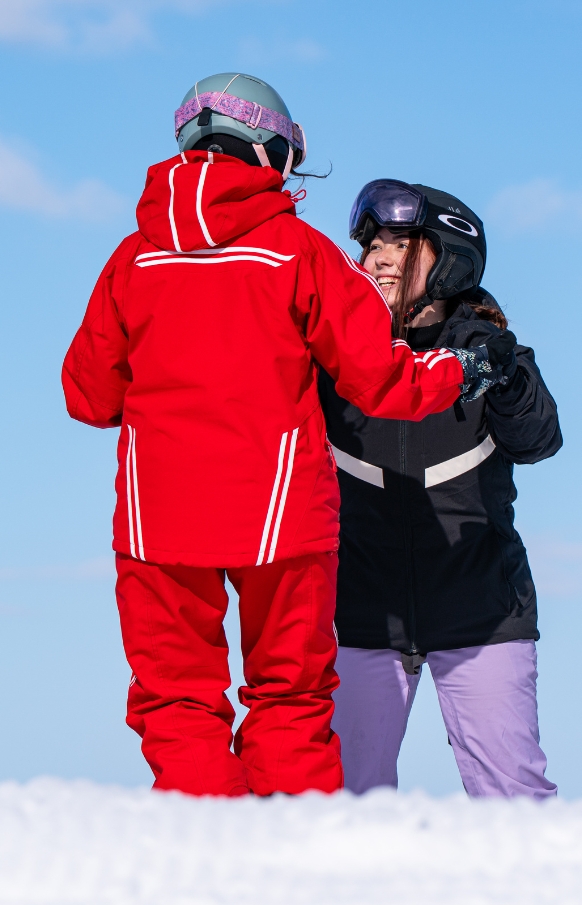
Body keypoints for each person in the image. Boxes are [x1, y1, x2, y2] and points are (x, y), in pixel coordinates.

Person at [62, 78, 510, 798]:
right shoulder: (299, 254)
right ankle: (288, 858)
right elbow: (382, 380)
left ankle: (204, 852)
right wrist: (457, 371)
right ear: (270, 152)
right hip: (282, 519)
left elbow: (86, 395)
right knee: (291, 696)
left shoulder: (131, 262)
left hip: (157, 518)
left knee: (177, 698)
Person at [320, 179, 561, 799]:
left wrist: (503, 377)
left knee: (514, 801)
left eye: (397, 242)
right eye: (370, 243)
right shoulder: (338, 359)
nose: (374, 256)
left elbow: (538, 439)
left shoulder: (486, 353)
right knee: (342, 807)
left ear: (450, 256)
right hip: (361, 614)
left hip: (482, 613)